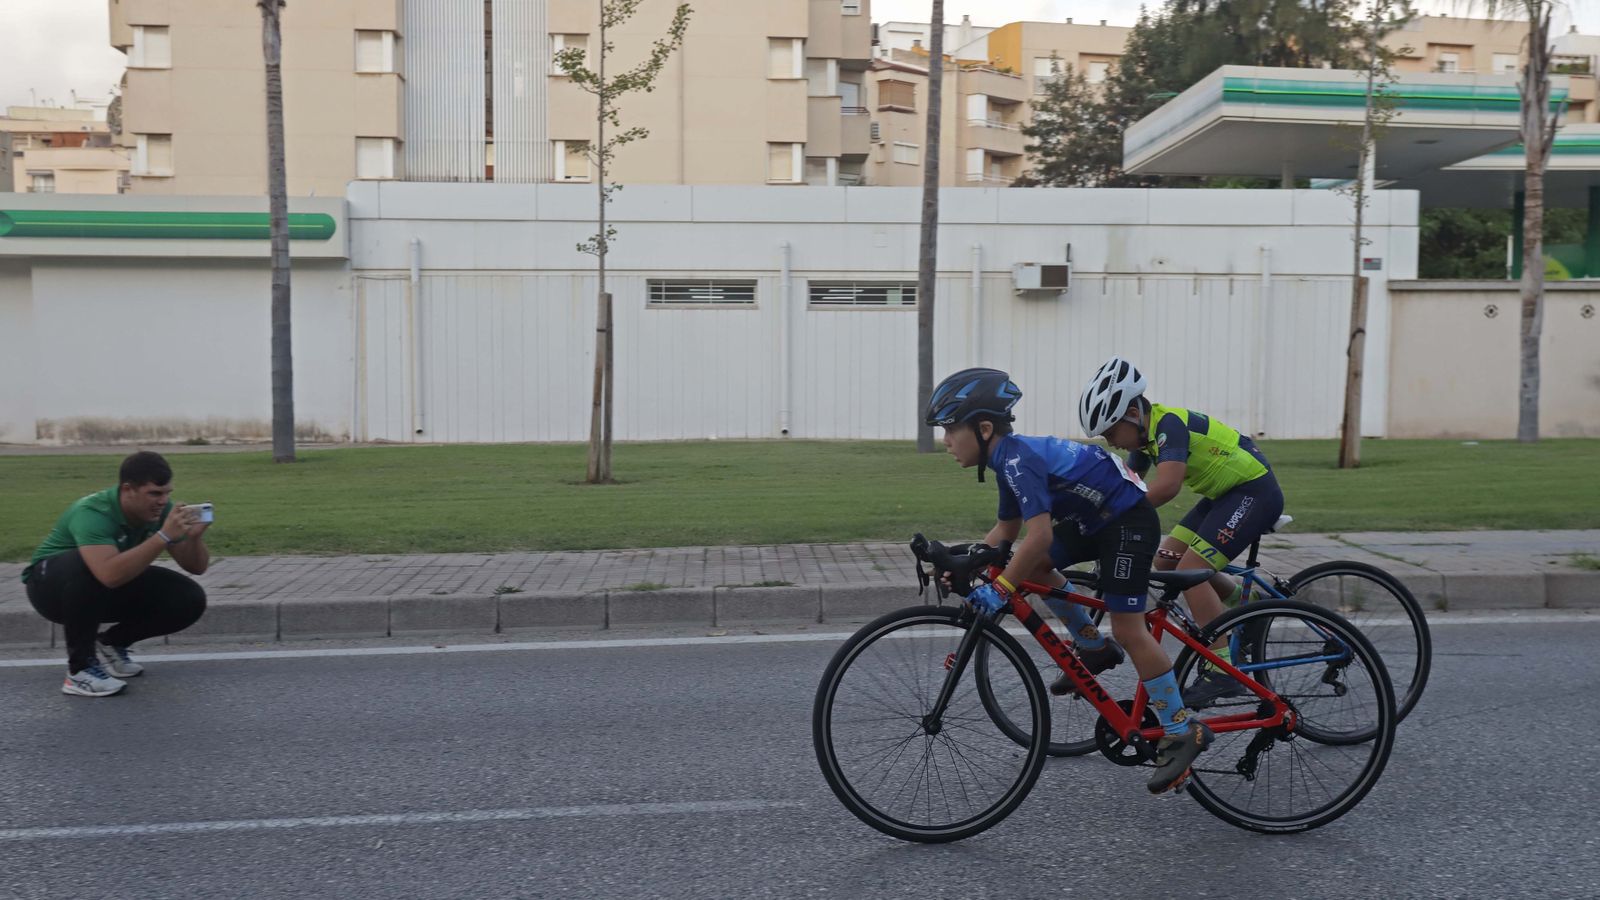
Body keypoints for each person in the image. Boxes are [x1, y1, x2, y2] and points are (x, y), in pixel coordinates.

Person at [927, 367, 1211, 793]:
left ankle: (1181, 728)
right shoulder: (1009, 461)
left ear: (984, 429)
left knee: (1128, 627)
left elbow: (1039, 536)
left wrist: (1001, 588)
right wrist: (966, 561)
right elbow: (1006, 532)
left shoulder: (1018, 460)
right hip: (1095, 519)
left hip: (1127, 521)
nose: (946, 440)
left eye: (951, 429)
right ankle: (1093, 647)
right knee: (1031, 566)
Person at [1078, 356, 1286, 708]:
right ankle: (1248, 606)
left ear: (1133, 413)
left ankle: (1221, 669)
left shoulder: (1168, 425)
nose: (1111, 442)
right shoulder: (1144, 439)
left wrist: (1112, 517)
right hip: (1224, 495)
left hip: (1253, 491)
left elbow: (1168, 486)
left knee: (1191, 570)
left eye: (1111, 432)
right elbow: (1128, 486)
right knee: (1167, 560)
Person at [22, 451, 210, 697]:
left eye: (167, 493)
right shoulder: (93, 512)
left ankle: (112, 643)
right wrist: (163, 536)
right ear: (128, 489)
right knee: (90, 566)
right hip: (49, 589)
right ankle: (80, 671)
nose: (163, 501)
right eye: (154, 493)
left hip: (99, 585)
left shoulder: (161, 511)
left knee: (188, 597)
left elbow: (197, 567)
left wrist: (194, 539)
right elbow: (108, 574)